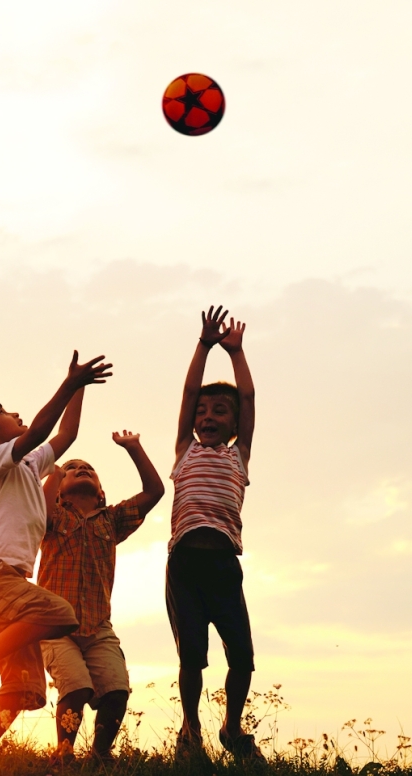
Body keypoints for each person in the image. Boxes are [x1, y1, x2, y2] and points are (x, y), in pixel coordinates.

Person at [0, 351, 112, 773]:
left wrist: (80, 390)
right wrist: (68, 384)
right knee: (61, 612)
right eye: (4, 413)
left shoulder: (24, 466)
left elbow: (65, 434)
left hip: (4, 586)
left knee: (21, 692)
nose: (15, 413)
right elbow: (39, 429)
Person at [167, 305, 263, 762]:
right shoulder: (184, 450)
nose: (207, 416)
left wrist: (237, 352)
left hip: (224, 565)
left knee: (241, 657)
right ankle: (190, 730)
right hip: (184, 564)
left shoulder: (238, 456)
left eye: (219, 411)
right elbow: (188, 390)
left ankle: (232, 726)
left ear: (234, 422)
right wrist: (203, 346)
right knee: (192, 657)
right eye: (202, 411)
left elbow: (249, 397)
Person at [38, 430, 165, 764]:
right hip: (55, 628)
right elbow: (40, 505)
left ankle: (99, 754)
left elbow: (154, 491)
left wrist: (135, 448)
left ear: (102, 493)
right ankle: (64, 753)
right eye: (72, 468)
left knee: (116, 689)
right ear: (59, 492)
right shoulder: (53, 518)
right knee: (76, 687)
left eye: (88, 468)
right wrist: (53, 469)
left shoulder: (111, 520)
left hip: (97, 627)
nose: (80, 469)